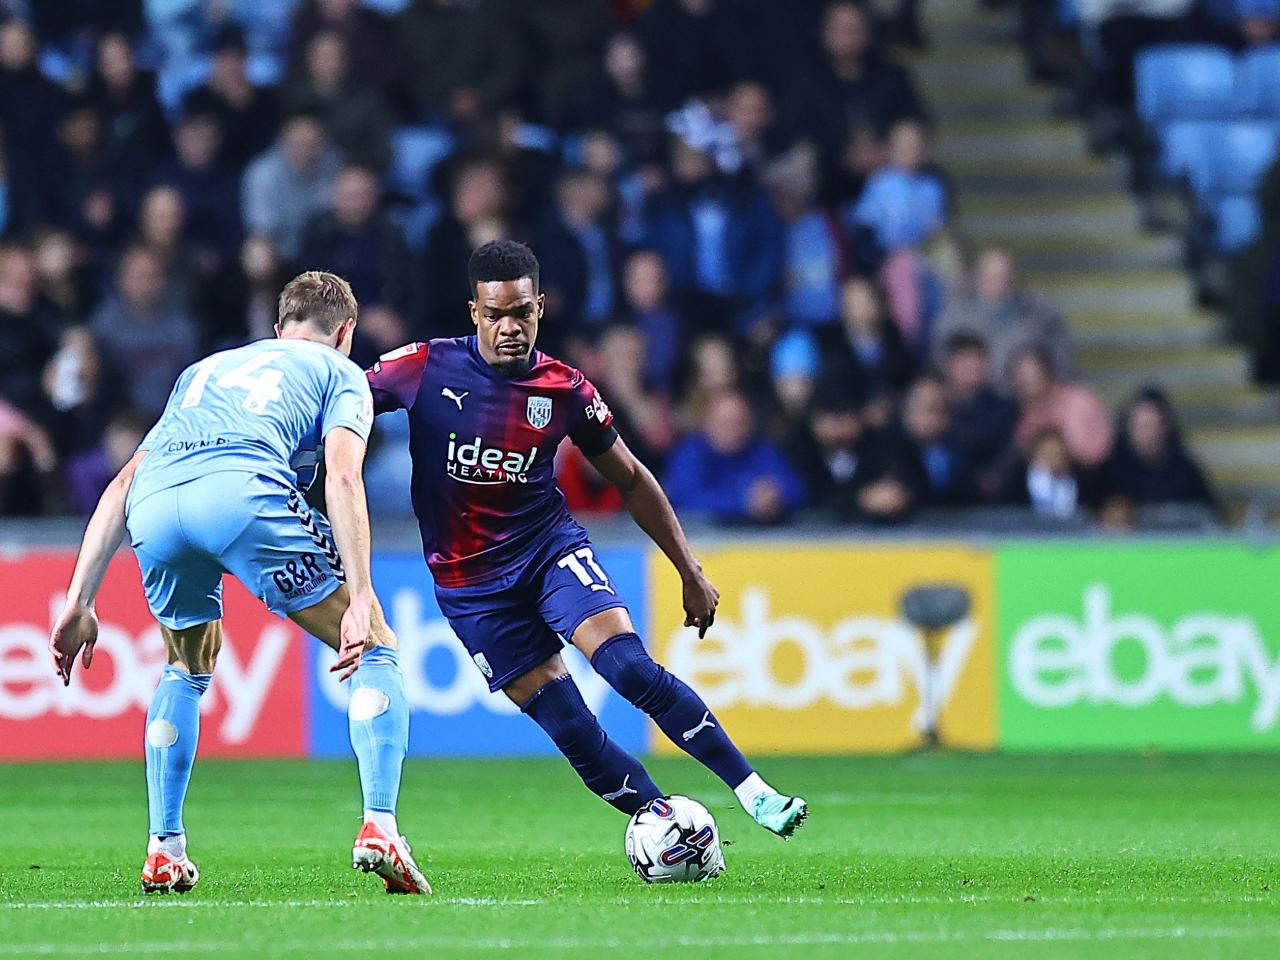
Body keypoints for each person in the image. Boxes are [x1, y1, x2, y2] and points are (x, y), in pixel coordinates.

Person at [366, 240, 808, 837]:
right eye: (495, 315)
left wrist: (689, 570)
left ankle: (756, 793)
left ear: (539, 308)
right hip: (470, 586)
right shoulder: (424, 367)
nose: (509, 327)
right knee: (571, 727)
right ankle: (667, 827)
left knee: (627, 669)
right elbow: (342, 400)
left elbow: (631, 477)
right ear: (475, 313)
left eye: (521, 313)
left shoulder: (565, 388)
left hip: (548, 551)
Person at [48, 271, 431, 896]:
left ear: (278, 330)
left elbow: (122, 484)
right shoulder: (341, 375)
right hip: (242, 492)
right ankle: (380, 825)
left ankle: (163, 847)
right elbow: (342, 480)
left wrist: (78, 600)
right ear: (345, 333)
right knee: (377, 647)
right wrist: (360, 597)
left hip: (157, 507)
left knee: (187, 665)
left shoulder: (204, 371)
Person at [932, 247, 1072, 385]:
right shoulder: (954, 319)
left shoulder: (1039, 316)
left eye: (1006, 277)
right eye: (992, 277)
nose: (1000, 284)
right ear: (977, 278)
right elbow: (939, 361)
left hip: (1024, 401)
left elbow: (1061, 362)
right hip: (968, 399)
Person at [665, 389, 807, 525]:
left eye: (739, 422)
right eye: (724, 423)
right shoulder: (690, 453)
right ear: (707, 423)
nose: (732, 430)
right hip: (702, 542)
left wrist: (776, 495)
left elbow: (797, 489)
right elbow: (685, 499)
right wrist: (743, 502)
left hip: (758, 542)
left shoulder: (761, 450)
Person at [1099, 387, 1217, 510]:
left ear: (1165, 427)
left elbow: (1209, 514)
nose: (1144, 433)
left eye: (1150, 425)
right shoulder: (1111, 471)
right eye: (1139, 425)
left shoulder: (1185, 471)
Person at [1011, 346, 1114, 470]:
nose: (1030, 388)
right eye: (1023, 381)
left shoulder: (1080, 401)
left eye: (1034, 378)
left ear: (1048, 374)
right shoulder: (1017, 419)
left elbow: (1101, 449)